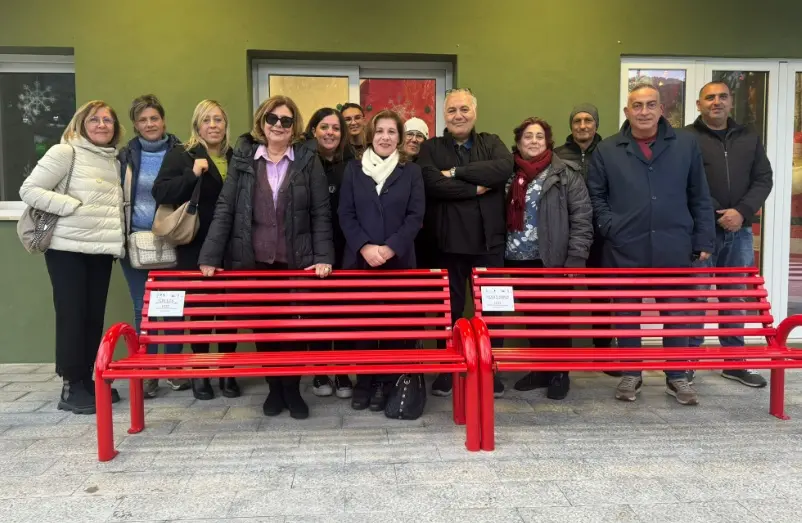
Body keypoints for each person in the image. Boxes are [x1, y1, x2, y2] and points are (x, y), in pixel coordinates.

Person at [198, 95, 334, 420]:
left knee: (294, 329)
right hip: (254, 260)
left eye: (286, 121)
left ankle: (292, 389)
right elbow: (225, 207)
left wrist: (324, 255)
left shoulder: (307, 160)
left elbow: (320, 211)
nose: (278, 126)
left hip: (295, 261)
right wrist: (210, 255)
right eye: (273, 119)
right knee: (265, 328)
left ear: (294, 127)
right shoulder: (245, 159)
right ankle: (274, 388)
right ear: (262, 121)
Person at [588, 84, 715, 406]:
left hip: (675, 244)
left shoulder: (685, 144)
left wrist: (703, 238)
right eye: (636, 105)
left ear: (662, 110)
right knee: (627, 314)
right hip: (624, 247)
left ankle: (677, 377)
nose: (643, 111)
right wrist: (610, 227)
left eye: (650, 105)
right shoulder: (609, 149)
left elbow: (699, 195)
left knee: (675, 313)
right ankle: (632, 373)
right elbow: (596, 196)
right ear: (626, 111)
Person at [19, 100, 125, 414]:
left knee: (93, 317)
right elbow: (29, 189)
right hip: (67, 250)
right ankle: (70, 386)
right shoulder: (66, 152)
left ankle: (87, 379)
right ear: (81, 123)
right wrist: (70, 206)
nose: (102, 124)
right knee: (72, 315)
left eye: (108, 119)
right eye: (95, 119)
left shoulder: (112, 160)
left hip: (100, 250)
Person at [417, 88, 512, 398]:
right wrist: (473, 189)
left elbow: (501, 169)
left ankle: (491, 367)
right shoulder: (431, 147)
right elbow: (432, 182)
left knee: (494, 311)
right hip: (446, 245)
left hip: (490, 244)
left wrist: (457, 173)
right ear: (444, 115)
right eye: (452, 110)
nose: (458, 116)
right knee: (450, 311)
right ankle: (448, 369)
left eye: (464, 109)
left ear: (475, 112)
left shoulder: (492, 142)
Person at [686, 81, 774, 388]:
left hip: (741, 231)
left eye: (722, 97)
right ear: (699, 104)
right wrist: (717, 213)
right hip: (700, 232)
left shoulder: (749, 137)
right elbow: (684, 181)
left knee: (734, 297)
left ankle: (735, 363)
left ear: (730, 103)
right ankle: (686, 365)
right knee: (696, 298)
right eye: (710, 98)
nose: (717, 102)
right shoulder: (686, 138)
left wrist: (742, 211)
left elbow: (763, 178)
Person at [338, 109, 425, 411]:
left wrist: (389, 249)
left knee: (392, 326)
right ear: (370, 135)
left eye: (391, 131)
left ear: (400, 137)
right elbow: (345, 214)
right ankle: (364, 381)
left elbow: (416, 217)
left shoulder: (411, 172)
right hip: (360, 262)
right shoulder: (352, 170)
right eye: (379, 131)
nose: (385, 137)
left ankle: (386, 383)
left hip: (398, 262)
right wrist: (364, 247)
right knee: (363, 326)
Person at [152, 99, 238, 401]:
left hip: (232, 246)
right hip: (196, 246)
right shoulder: (183, 154)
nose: (213, 126)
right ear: (196, 125)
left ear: (226, 124)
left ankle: (228, 373)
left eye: (218, 119)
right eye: (206, 120)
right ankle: (202, 373)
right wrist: (192, 174)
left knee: (229, 314)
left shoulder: (236, 156)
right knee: (201, 312)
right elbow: (160, 192)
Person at [505, 117, 593, 400]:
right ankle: (541, 368)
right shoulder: (508, 173)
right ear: (518, 142)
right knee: (532, 318)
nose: (533, 141)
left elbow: (582, 217)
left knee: (555, 318)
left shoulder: (566, 174)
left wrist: (576, 258)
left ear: (548, 142)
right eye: (527, 136)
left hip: (553, 260)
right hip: (517, 260)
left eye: (539, 137)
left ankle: (559, 373)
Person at [118, 94, 188, 399]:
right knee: (142, 308)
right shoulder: (125, 156)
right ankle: (147, 370)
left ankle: (171, 369)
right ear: (135, 124)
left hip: (172, 239)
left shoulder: (182, 151)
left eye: (154, 118)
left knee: (171, 307)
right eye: (143, 120)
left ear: (164, 121)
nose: (150, 124)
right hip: (136, 242)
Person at [553, 104, 621, 377]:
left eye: (588, 120)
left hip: (603, 235)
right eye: (577, 120)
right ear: (571, 126)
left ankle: (604, 352)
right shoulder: (557, 155)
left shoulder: (611, 152)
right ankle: (560, 359)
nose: (583, 125)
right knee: (560, 297)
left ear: (596, 124)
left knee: (602, 295)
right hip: (566, 235)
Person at [303, 107, 354, 400]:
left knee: (343, 313)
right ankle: (321, 370)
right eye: (324, 127)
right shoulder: (302, 161)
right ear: (314, 131)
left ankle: (343, 372)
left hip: (346, 247)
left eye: (336, 128)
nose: (330, 133)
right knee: (319, 313)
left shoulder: (353, 163)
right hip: (312, 249)